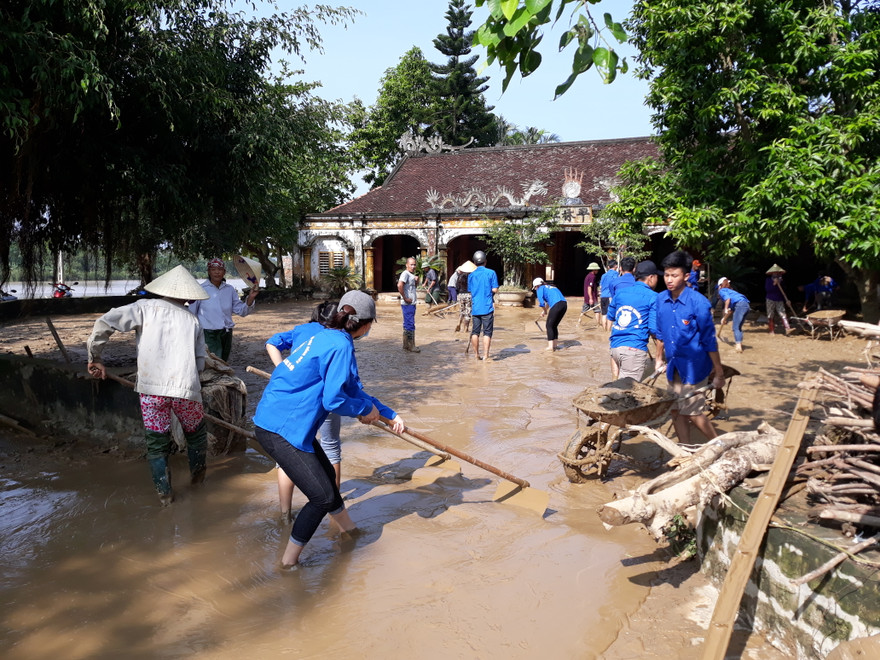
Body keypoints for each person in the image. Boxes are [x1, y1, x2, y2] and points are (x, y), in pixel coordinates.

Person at [253, 290, 405, 569]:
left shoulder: (325, 335)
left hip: (288, 424)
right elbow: (334, 400)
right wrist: (362, 411)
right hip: (281, 429)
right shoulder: (341, 345)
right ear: (365, 324)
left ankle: (350, 532)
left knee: (328, 485)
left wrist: (387, 414)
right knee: (321, 497)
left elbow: (352, 390)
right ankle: (288, 564)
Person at [86, 265, 210, 505]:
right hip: (185, 390)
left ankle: (165, 496)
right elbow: (200, 363)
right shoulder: (193, 320)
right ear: (189, 296)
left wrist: (95, 357)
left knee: (156, 442)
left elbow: (105, 322)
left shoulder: (143, 308)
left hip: (152, 392)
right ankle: (198, 483)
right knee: (196, 435)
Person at [266, 301, 343, 523]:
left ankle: (285, 514)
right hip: (325, 398)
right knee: (331, 447)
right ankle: (336, 511)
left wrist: (282, 369)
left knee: (287, 452)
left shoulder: (301, 329)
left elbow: (272, 343)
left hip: (294, 401)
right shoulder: (339, 336)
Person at [656, 251, 726, 444]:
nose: (669, 280)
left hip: (694, 366)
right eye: (666, 275)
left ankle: (720, 446)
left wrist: (719, 372)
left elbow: (709, 340)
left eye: (674, 275)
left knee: (693, 412)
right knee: (675, 410)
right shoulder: (660, 300)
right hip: (674, 365)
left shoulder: (698, 303)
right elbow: (660, 333)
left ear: (686, 276)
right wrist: (659, 359)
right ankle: (685, 449)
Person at [188, 257, 258, 362]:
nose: (217, 272)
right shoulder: (200, 290)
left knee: (223, 362)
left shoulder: (229, 289)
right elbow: (192, 313)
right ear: (209, 272)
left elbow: (241, 311)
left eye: (220, 269)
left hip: (226, 333)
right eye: (213, 269)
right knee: (213, 363)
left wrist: (251, 298)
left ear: (224, 272)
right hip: (208, 334)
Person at [607, 260, 664, 380]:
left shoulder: (620, 293)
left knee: (615, 386)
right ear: (651, 278)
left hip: (615, 348)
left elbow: (611, 316)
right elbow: (653, 329)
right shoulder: (654, 297)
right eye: (657, 277)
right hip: (634, 349)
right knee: (628, 390)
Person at [468, 250, 499, 360]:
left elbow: (470, 290)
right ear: (485, 261)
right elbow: (495, 289)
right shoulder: (491, 273)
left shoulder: (471, 275)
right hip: (487, 308)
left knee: (475, 332)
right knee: (487, 333)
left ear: (474, 262)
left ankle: (476, 354)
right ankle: (486, 355)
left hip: (475, 308)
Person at [717, 277, 751, 353]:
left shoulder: (722, 290)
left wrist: (725, 308)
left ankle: (738, 346)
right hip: (746, 306)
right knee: (738, 327)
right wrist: (724, 319)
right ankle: (739, 343)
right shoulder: (731, 292)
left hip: (740, 305)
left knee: (735, 327)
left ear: (720, 286)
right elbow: (731, 310)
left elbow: (727, 299)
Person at [533, 277, 568, 351]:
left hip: (557, 305)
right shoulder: (551, 287)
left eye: (535, 288)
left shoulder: (540, 289)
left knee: (549, 325)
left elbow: (541, 303)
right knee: (554, 325)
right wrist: (544, 311)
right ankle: (555, 345)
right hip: (564, 305)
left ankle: (550, 347)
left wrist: (545, 311)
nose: (535, 289)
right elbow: (549, 302)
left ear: (537, 286)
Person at [397, 256, 421, 352]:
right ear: (407, 265)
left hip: (411, 303)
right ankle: (411, 346)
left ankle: (406, 345)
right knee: (410, 323)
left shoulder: (411, 275)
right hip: (408, 303)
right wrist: (405, 298)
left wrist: (416, 280)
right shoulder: (405, 273)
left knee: (407, 323)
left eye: (414, 265)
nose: (413, 266)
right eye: (411, 264)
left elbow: (413, 287)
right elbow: (399, 285)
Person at [764, 264, 791, 336]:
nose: (776, 275)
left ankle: (787, 328)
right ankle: (771, 330)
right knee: (770, 314)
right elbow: (768, 290)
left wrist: (787, 300)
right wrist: (774, 284)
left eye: (778, 273)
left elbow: (784, 291)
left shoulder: (782, 281)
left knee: (782, 313)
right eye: (775, 273)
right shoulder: (768, 280)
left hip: (779, 299)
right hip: (770, 299)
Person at [598, 260, 619, 328]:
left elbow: (600, 286)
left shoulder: (603, 275)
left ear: (608, 267)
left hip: (602, 296)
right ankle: (608, 331)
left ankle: (604, 330)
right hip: (609, 296)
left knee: (604, 314)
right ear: (616, 266)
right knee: (610, 314)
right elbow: (616, 284)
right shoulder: (615, 274)